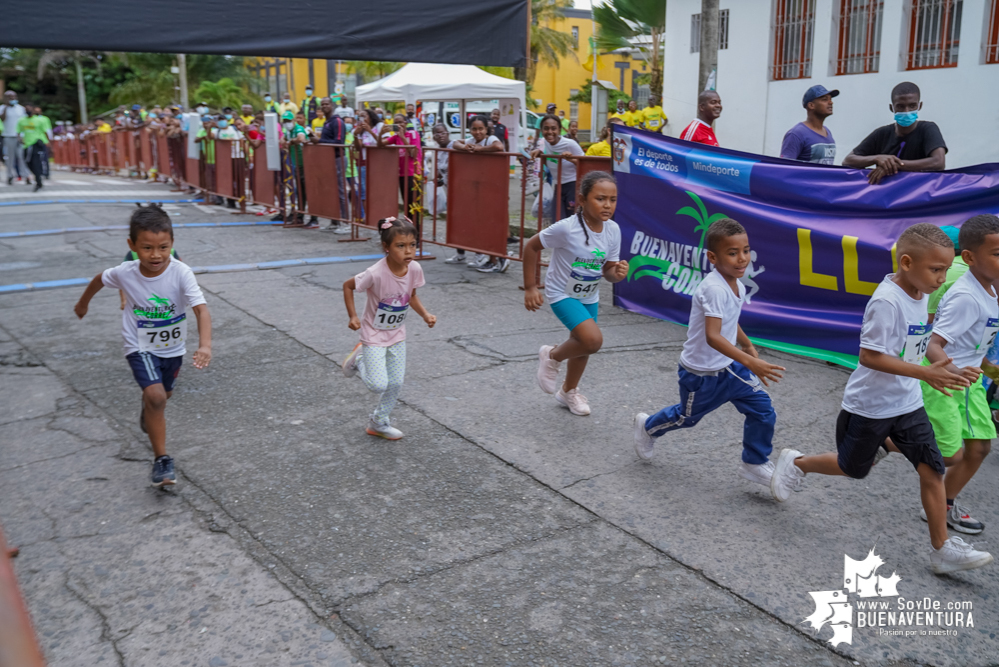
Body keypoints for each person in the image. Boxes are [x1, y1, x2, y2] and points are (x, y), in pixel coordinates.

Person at [770, 223, 993, 574]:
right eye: (936, 270)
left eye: (946, 270)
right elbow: (869, 357)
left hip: (908, 404)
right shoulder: (888, 302)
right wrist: (927, 373)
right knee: (852, 468)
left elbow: (918, 348)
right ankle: (797, 463)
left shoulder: (919, 295)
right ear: (906, 262)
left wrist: (945, 371)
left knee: (933, 469)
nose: (942, 279)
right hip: (870, 406)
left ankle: (943, 550)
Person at [633, 219, 786, 490]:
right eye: (732, 253)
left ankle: (754, 462)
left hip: (729, 368)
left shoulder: (734, 283)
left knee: (763, 411)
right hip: (701, 374)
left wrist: (747, 344)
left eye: (746, 250)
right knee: (685, 418)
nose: (742, 259)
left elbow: (730, 320)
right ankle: (647, 427)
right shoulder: (714, 288)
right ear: (712, 257)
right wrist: (751, 360)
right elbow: (713, 336)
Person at [73, 204, 212, 488]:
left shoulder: (181, 272)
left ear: (172, 243)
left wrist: (205, 345)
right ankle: (162, 460)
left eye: (163, 247)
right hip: (139, 345)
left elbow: (201, 309)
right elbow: (100, 279)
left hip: (173, 349)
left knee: (163, 396)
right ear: (132, 246)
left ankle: (148, 408)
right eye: (147, 248)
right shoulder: (125, 272)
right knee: (157, 397)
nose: (156, 255)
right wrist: (83, 303)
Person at [916, 215, 999, 536]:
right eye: (996, 254)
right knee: (950, 454)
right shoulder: (966, 297)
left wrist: (988, 370)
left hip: (971, 381)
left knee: (979, 448)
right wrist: (949, 372)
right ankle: (882, 439)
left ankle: (945, 505)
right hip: (944, 381)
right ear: (969, 258)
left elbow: (975, 344)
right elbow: (932, 343)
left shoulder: (990, 290)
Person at [524, 170, 627, 416]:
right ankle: (552, 355)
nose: (607, 205)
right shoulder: (566, 229)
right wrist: (530, 286)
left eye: (612, 200)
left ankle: (568, 392)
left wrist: (618, 273)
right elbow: (531, 246)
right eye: (600, 198)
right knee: (592, 340)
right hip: (562, 293)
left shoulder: (613, 230)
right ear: (581, 200)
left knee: (583, 345)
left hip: (588, 294)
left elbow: (608, 272)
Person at [341, 217, 436, 440]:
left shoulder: (414, 268)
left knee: (395, 382)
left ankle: (378, 422)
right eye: (400, 246)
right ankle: (360, 359)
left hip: (397, 333)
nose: (408, 251)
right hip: (373, 333)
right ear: (386, 247)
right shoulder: (375, 273)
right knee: (377, 385)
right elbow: (348, 286)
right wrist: (353, 316)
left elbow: (411, 296)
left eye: (413, 245)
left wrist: (425, 314)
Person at [843, 82, 946, 185]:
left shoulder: (928, 129)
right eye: (900, 107)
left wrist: (893, 165)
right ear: (892, 108)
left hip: (919, 194)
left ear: (920, 106)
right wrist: (877, 158)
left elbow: (938, 162)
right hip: (887, 197)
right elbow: (848, 161)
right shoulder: (882, 134)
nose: (907, 111)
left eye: (912, 106)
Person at [453, 115, 508, 273]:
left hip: (493, 186)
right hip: (478, 187)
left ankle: (497, 258)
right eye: (474, 129)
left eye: (480, 129)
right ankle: (494, 257)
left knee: (492, 222)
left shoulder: (490, 139)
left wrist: (480, 149)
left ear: (486, 129)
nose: (477, 132)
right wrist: (465, 147)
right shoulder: (470, 140)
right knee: (483, 223)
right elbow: (455, 143)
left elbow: (499, 147)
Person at [530, 114, 584, 220]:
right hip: (558, 185)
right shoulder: (545, 142)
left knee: (571, 220)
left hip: (572, 185)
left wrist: (571, 159)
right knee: (556, 220)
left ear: (559, 130)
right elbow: (549, 159)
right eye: (546, 129)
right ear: (541, 130)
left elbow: (585, 164)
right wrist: (540, 153)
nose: (550, 132)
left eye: (553, 128)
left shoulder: (570, 144)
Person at [312, 96, 351, 233]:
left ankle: (346, 222)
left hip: (338, 158)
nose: (324, 106)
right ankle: (334, 221)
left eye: (327, 104)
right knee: (330, 190)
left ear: (332, 105)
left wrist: (319, 141)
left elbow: (339, 142)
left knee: (340, 190)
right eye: (322, 104)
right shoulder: (327, 122)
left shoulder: (338, 121)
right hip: (328, 160)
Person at [378, 113, 422, 231]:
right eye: (395, 123)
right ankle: (410, 232)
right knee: (407, 206)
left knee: (414, 206)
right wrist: (380, 134)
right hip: (402, 174)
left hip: (413, 174)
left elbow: (413, 153)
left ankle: (416, 234)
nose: (398, 125)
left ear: (405, 123)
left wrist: (402, 137)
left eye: (400, 122)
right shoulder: (395, 137)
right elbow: (380, 144)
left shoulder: (413, 134)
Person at [780, 85, 838, 165]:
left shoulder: (827, 132)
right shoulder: (796, 134)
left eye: (830, 99)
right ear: (811, 105)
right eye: (825, 100)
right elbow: (785, 167)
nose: (831, 102)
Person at [16, 106, 48, 191]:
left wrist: (47, 142)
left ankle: (38, 181)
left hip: (36, 143)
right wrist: (20, 139)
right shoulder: (22, 121)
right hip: (26, 144)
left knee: (36, 163)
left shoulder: (39, 120)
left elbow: (45, 131)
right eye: (27, 110)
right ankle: (38, 177)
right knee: (27, 162)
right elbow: (18, 132)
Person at [1, 90, 28, 185]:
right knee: (10, 158)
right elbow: (2, 119)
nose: (12, 99)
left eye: (14, 97)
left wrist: (24, 135)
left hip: (20, 136)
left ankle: (26, 175)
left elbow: (25, 122)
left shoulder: (20, 108)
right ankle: (9, 176)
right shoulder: (2, 108)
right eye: (10, 97)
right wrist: (6, 107)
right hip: (8, 135)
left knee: (21, 156)